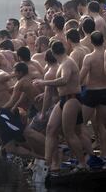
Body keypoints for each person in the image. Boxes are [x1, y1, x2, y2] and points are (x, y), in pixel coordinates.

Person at [33, 41, 88, 172]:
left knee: (70, 133)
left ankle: (82, 163)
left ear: (53, 52)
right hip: (63, 99)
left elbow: (64, 80)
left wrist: (44, 82)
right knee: (50, 129)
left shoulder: (67, 62)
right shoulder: (62, 63)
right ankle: (48, 161)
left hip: (72, 99)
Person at [80, 31, 106, 157]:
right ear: (103, 40)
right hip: (104, 92)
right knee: (101, 124)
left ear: (91, 42)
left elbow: (81, 78)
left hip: (91, 92)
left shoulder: (89, 57)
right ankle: (104, 154)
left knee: (80, 123)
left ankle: (89, 153)